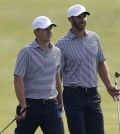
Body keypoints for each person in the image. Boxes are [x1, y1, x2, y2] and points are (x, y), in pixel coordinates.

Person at [55, 4, 120, 134]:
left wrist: (108, 85)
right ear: (70, 19)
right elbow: (58, 75)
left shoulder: (94, 37)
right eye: (78, 17)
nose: (82, 19)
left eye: (84, 16)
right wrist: (59, 100)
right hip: (73, 96)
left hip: (93, 95)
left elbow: (101, 62)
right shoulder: (61, 44)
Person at [14, 16, 64, 134]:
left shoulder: (57, 52)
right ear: (36, 31)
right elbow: (18, 79)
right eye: (45, 28)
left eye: (50, 28)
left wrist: (60, 102)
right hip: (31, 106)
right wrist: (23, 106)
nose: (49, 31)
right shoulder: (26, 52)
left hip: (51, 105)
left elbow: (57, 77)